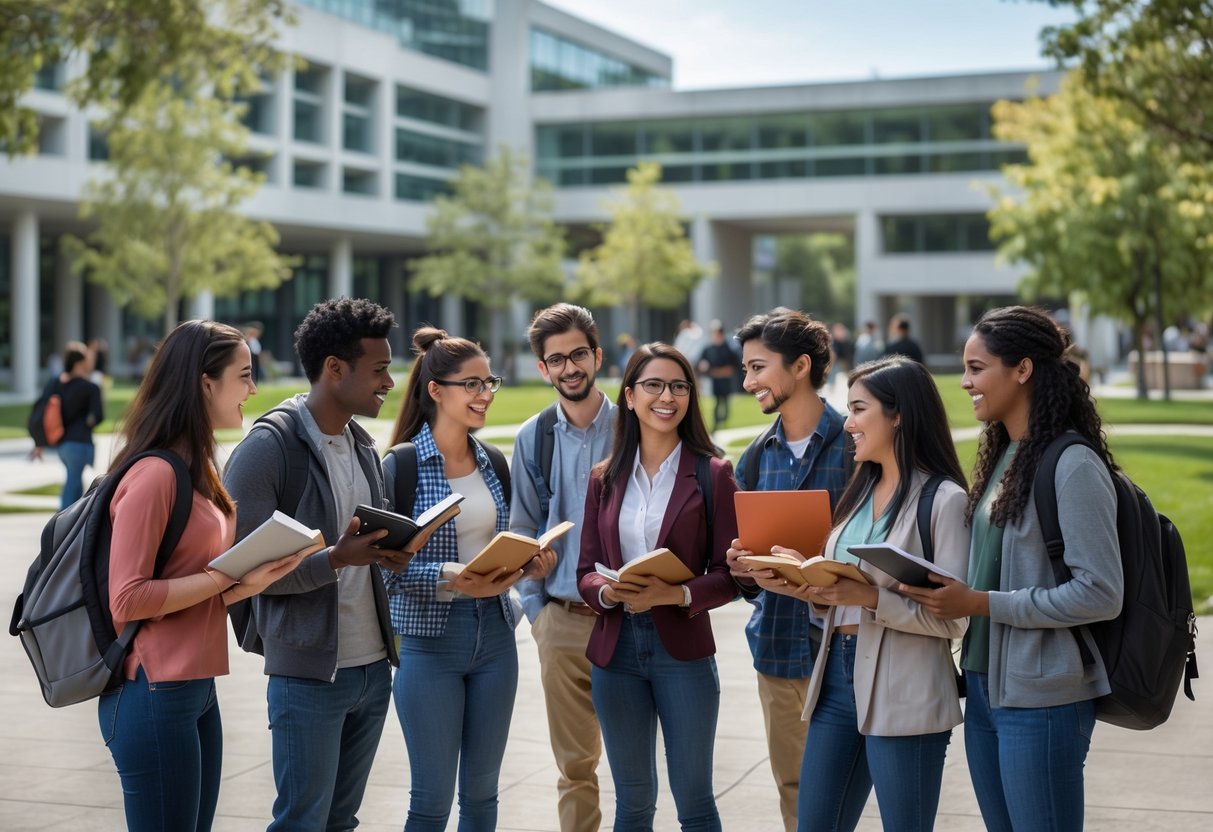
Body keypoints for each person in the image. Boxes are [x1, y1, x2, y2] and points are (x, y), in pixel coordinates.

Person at [898, 306, 1123, 832]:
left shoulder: (1073, 464)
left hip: (1042, 699)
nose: (965, 382)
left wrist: (979, 603)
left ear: (1022, 369)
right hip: (983, 686)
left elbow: (1099, 592)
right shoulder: (1003, 452)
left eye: (977, 368)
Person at [101, 320, 306, 830]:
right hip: (152, 690)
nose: (254, 389)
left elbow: (190, 580)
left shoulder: (198, 470)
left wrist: (247, 583)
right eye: (244, 374)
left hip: (194, 689)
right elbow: (127, 598)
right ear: (204, 383)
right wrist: (221, 582)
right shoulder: (153, 475)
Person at [753, 357, 970, 832]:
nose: (847, 423)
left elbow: (955, 620)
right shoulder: (859, 490)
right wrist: (800, 583)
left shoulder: (945, 501)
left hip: (906, 688)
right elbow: (844, 591)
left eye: (858, 409)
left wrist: (870, 598)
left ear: (898, 415)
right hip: (835, 679)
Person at [222, 298, 408, 832]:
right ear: (335, 369)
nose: (389, 382)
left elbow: (363, 546)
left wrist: (390, 550)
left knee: (341, 821)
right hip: (308, 676)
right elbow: (240, 571)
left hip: (374, 669)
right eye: (378, 370)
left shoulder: (362, 445)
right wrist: (334, 560)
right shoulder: (270, 447)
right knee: (301, 821)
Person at [383, 327, 555, 831]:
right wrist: (449, 577)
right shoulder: (402, 466)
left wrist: (528, 566)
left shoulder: (492, 461)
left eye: (489, 383)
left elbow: (500, 545)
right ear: (436, 390)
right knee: (431, 800)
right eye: (473, 384)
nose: (485, 395)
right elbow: (379, 568)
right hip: (430, 643)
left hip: (496, 638)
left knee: (482, 796)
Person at [577, 342, 739, 832]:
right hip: (616, 651)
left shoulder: (713, 474)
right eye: (653, 385)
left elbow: (733, 574)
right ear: (628, 396)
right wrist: (606, 592)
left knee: (694, 802)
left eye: (679, 386)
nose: (666, 396)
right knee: (632, 804)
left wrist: (676, 594)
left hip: (683, 654)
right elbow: (585, 568)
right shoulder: (604, 478)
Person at [724, 308, 851, 832]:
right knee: (794, 791)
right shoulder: (754, 458)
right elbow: (745, 582)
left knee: (845, 793)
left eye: (758, 367)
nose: (748, 381)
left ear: (800, 366)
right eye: (746, 369)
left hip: (845, 651)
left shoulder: (857, 445)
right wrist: (740, 569)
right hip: (778, 649)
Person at [511, 304, 616, 831]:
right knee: (575, 768)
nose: (570, 367)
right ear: (542, 369)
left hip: (626, 619)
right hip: (560, 619)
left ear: (597, 355)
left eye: (578, 354)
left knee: (635, 765)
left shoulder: (634, 426)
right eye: (557, 359)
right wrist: (536, 612)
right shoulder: (534, 436)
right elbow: (522, 525)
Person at [30, 341, 105, 508]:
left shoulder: (56, 383)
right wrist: (86, 423)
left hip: (62, 445)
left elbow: (42, 411)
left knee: (76, 484)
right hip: (79, 443)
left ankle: (71, 524)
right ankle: (61, 523)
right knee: (73, 486)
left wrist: (40, 442)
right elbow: (98, 416)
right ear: (80, 362)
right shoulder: (91, 387)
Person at [697, 320, 741, 432]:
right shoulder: (708, 348)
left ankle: (723, 422)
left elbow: (732, 368)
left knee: (725, 402)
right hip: (714, 382)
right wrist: (703, 366)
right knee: (716, 402)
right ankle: (716, 423)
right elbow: (701, 363)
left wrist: (716, 372)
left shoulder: (728, 348)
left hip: (725, 381)